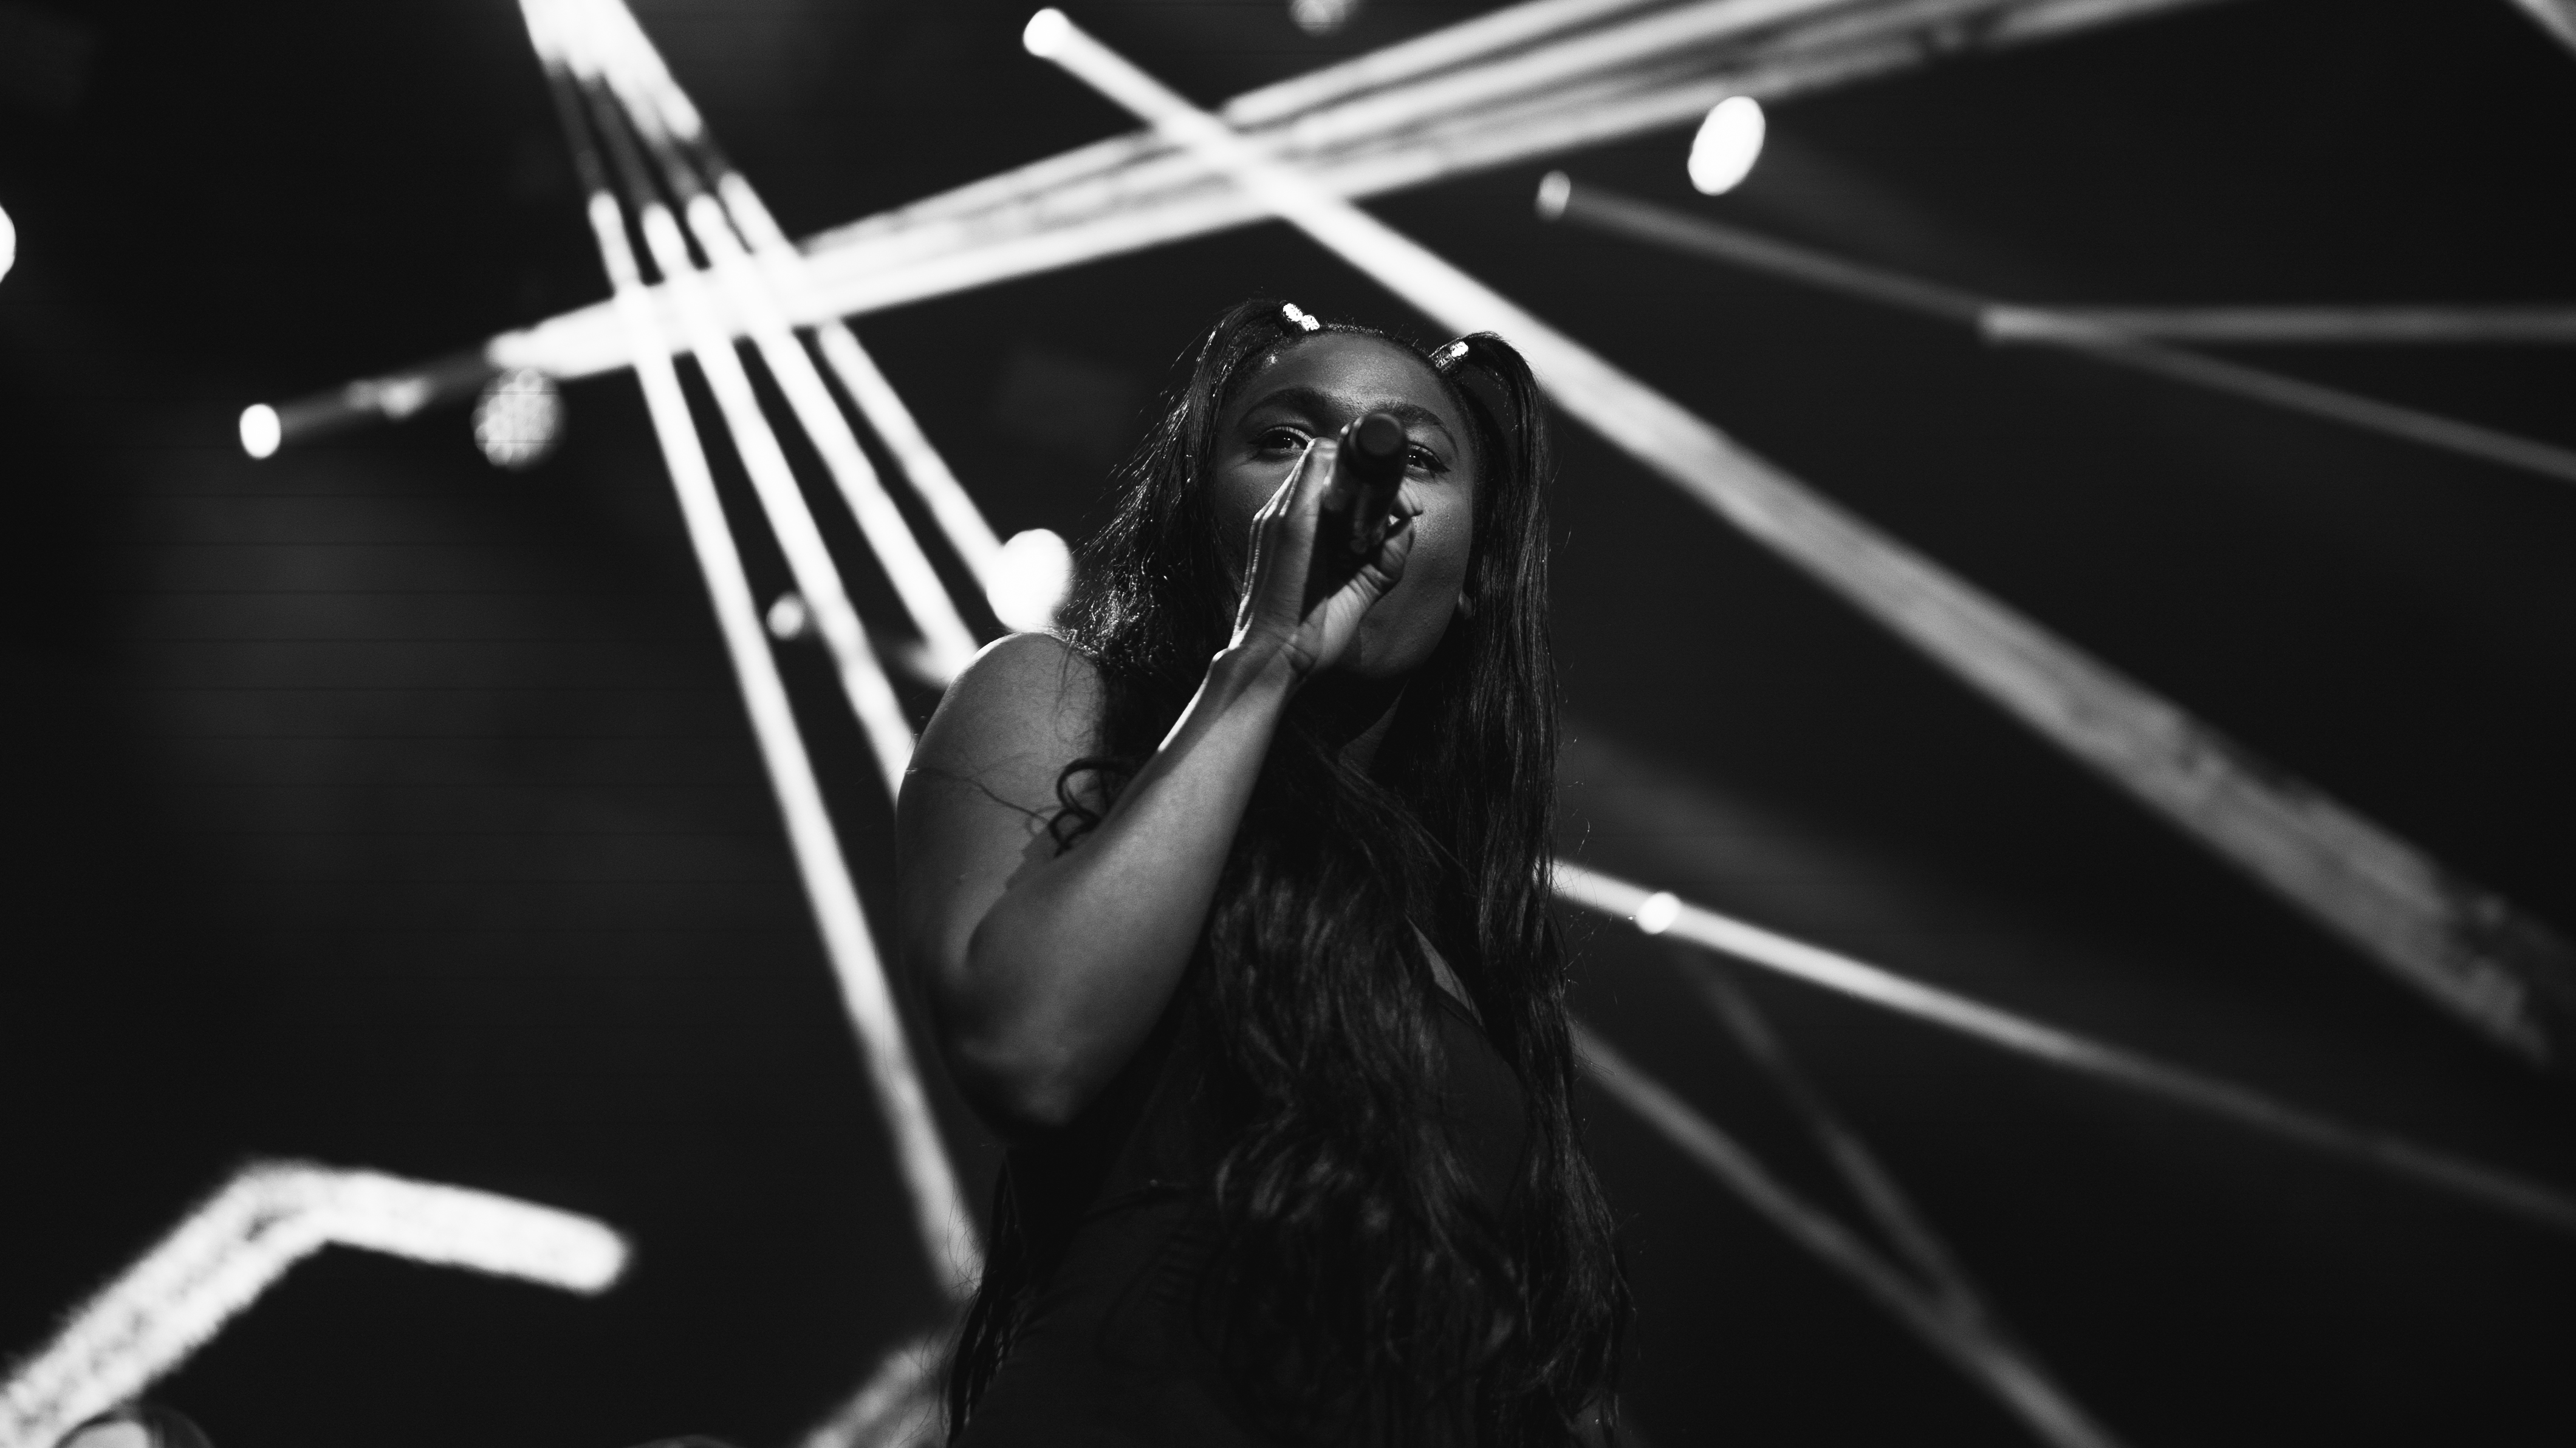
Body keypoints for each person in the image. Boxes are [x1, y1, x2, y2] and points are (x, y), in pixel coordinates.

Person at [896, 299, 1626, 1447]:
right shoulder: (1058, 703)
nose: (1343, 480)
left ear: (1475, 570)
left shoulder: (1455, 924)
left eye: (1414, 458)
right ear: (1200, 516)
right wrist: (1266, 655)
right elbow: (1027, 1048)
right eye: (1285, 440)